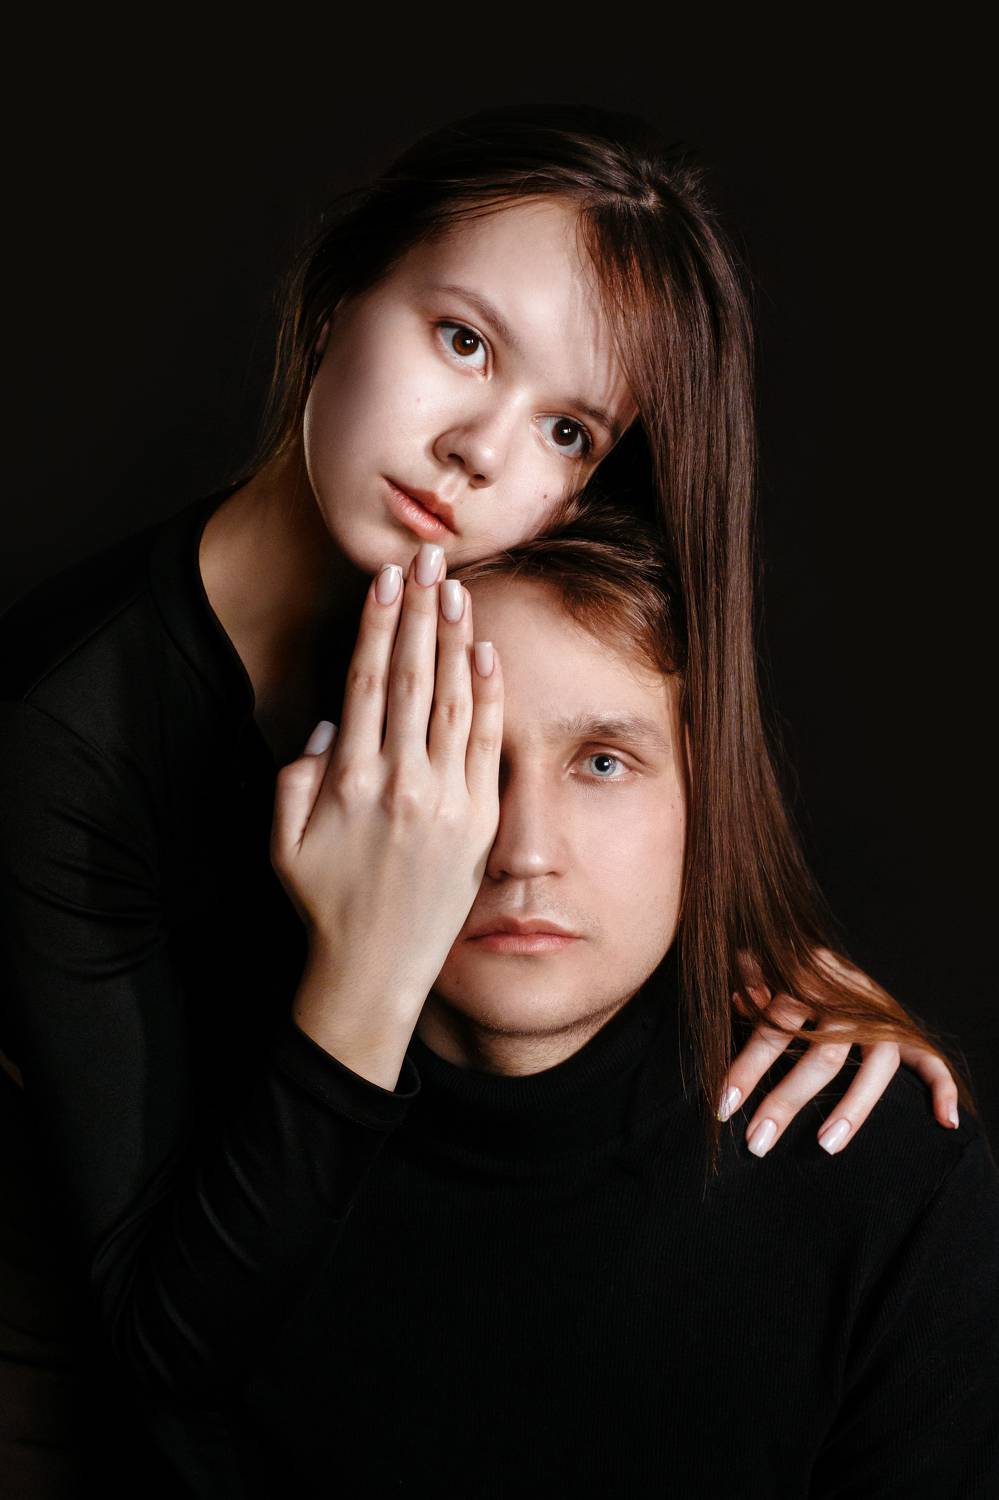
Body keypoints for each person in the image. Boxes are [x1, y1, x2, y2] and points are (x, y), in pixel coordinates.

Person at [0, 103, 976, 1492]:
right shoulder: (66, 735)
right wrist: (371, 958)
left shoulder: (503, 615)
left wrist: (750, 947)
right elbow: (160, 1345)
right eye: (462, 340)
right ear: (338, 297)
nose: (479, 451)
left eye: (568, 429)